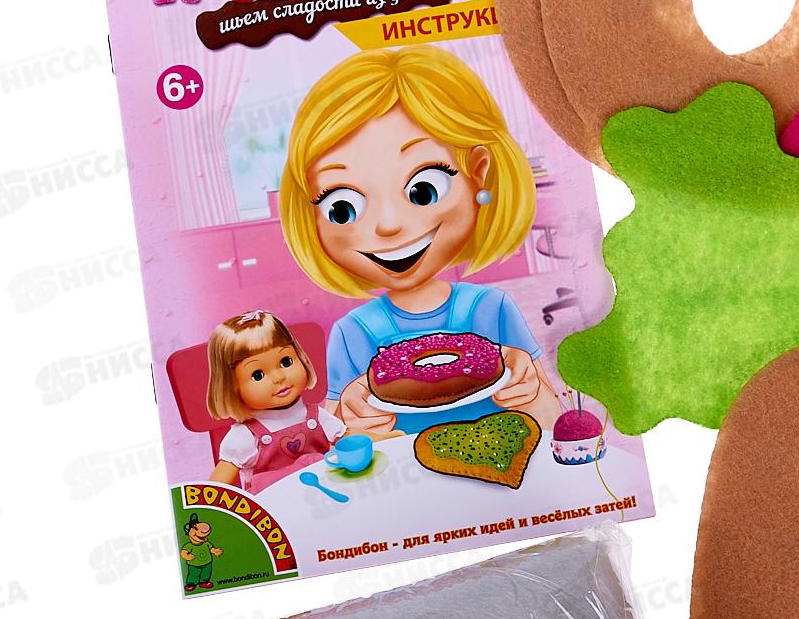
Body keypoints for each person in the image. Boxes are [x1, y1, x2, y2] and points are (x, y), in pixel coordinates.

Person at [279, 46, 560, 437]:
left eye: (423, 190)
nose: (389, 225)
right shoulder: (353, 333)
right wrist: (352, 425)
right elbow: (338, 447)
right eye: (343, 208)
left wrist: (530, 392)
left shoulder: (491, 309)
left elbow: (555, 421)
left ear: (478, 174)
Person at [204, 310, 346, 491]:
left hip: (325, 496)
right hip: (273, 506)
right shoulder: (247, 435)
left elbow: (348, 440)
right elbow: (215, 487)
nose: (279, 377)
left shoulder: (315, 416)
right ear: (231, 387)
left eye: (286, 362)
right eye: (258, 375)